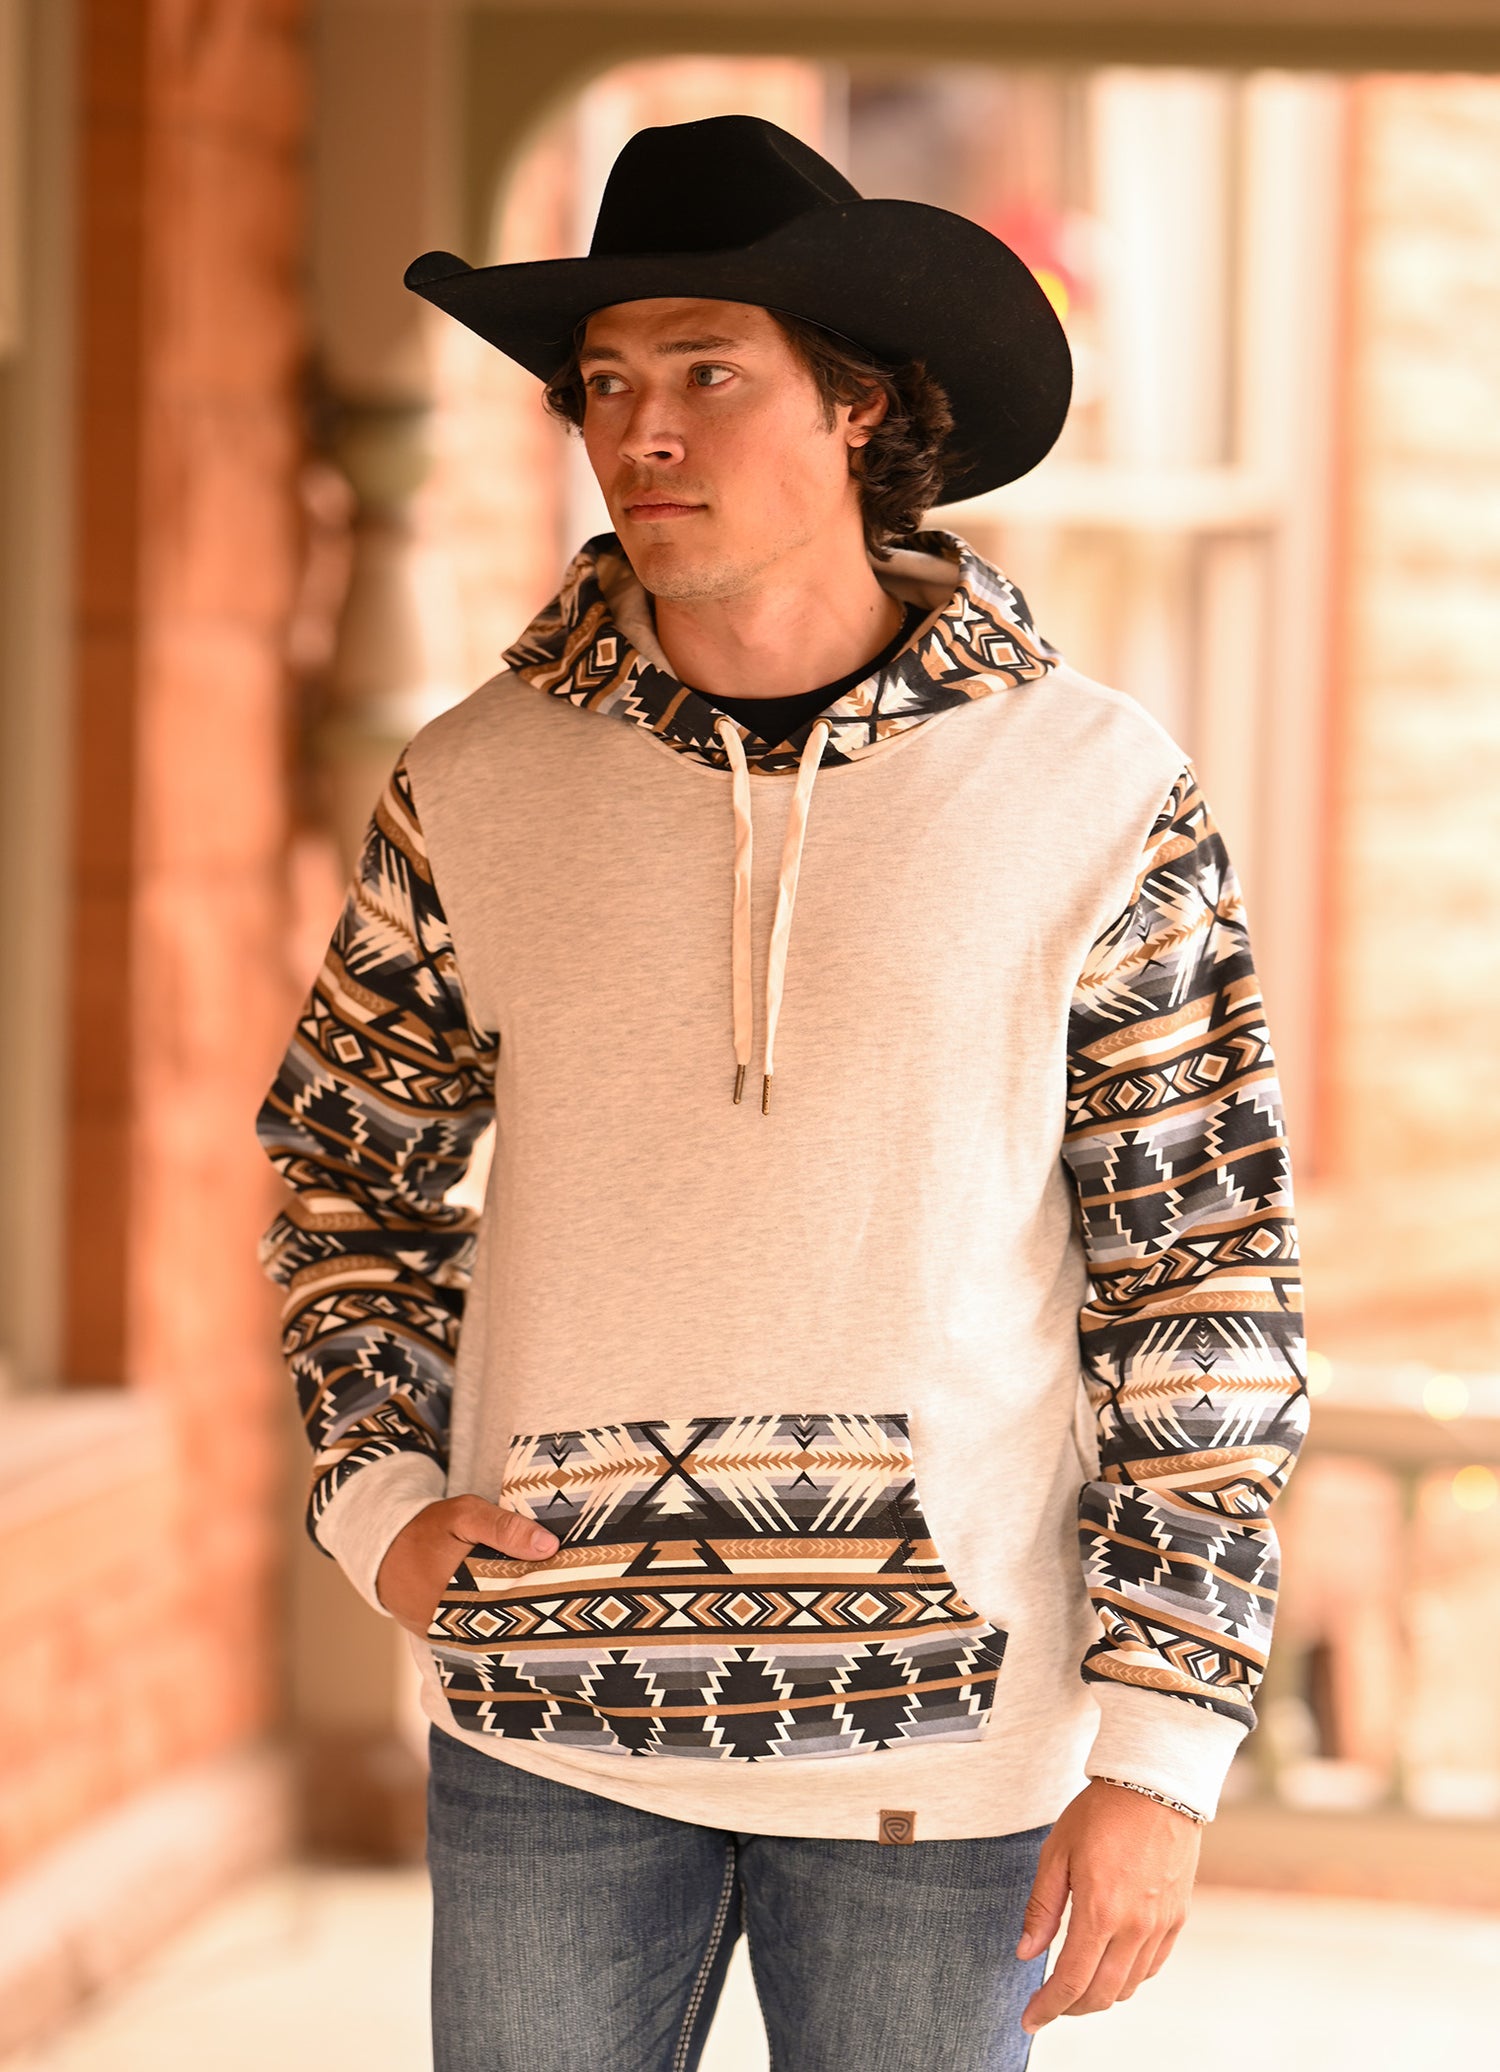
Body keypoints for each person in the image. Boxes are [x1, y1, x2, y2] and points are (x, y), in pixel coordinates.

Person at [255, 115, 1308, 2072]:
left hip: (953, 1745)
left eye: (708, 375)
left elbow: (1207, 1280)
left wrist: (1163, 1745)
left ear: (859, 412)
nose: (641, 429)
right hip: (547, 1733)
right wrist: (378, 1494)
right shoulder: (471, 780)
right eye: (605, 385)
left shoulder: (1096, 789)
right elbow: (346, 1175)